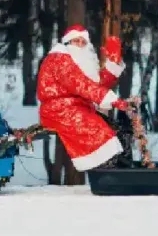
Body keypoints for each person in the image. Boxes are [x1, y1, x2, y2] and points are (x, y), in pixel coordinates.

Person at [36, 24, 132, 171]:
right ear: (67, 42)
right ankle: (105, 169)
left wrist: (113, 64)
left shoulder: (79, 62)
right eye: (76, 41)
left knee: (114, 128)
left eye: (83, 42)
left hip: (78, 107)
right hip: (59, 109)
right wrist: (113, 100)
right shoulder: (58, 59)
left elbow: (96, 84)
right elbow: (81, 85)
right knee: (98, 131)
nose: (80, 45)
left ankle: (118, 166)